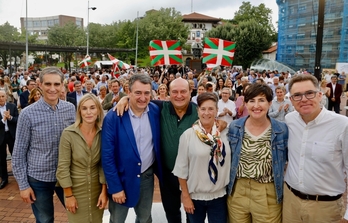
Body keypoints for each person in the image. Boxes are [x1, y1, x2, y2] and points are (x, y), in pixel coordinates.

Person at [115, 78, 199, 223]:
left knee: (193, 212)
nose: (179, 95)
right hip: (167, 174)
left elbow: (214, 120)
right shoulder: (160, 107)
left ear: (190, 92)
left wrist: (221, 123)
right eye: (175, 92)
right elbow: (140, 99)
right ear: (168, 93)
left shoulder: (198, 111)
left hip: (193, 175)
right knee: (171, 211)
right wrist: (126, 99)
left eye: (183, 91)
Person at [12, 67, 76, 223]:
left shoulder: (70, 109)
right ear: (39, 84)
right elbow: (19, 152)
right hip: (38, 178)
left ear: (62, 85)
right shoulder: (27, 114)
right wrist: (23, 185)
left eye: (56, 84)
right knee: (45, 220)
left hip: (65, 176)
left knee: (76, 216)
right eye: (48, 84)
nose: (52, 89)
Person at [283, 74, 348, 223]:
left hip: (325, 208)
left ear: (320, 95)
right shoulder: (289, 120)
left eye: (309, 93)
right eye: (297, 95)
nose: (304, 99)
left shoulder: (342, 125)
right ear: (291, 100)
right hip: (290, 203)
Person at [102, 74, 162, 222]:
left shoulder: (155, 111)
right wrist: (115, 187)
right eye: (138, 93)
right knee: (117, 219)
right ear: (128, 92)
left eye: (147, 93)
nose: (143, 97)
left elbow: (182, 104)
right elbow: (107, 156)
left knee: (145, 218)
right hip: (122, 178)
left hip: (146, 177)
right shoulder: (114, 117)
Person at [227, 83, 288, 223]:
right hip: (238, 190)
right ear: (246, 103)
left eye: (261, 100)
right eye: (251, 101)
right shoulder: (235, 127)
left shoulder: (281, 129)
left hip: (267, 193)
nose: (256, 105)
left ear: (269, 103)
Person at [173, 92, 230, 223]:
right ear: (198, 111)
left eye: (211, 109)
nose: (206, 113)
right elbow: (181, 170)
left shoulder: (226, 133)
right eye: (203, 109)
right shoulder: (188, 136)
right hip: (195, 198)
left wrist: (224, 124)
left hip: (219, 196)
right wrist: (186, 197)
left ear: (217, 111)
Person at [56, 94, 107, 223]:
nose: (88, 112)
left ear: (98, 110)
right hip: (75, 189)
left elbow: (103, 165)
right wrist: (69, 195)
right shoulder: (69, 134)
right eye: (84, 108)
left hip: (97, 189)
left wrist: (104, 192)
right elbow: (63, 168)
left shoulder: (103, 133)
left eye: (92, 108)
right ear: (79, 112)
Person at [0, 90, 18, 189]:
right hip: (1, 136)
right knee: (2, 158)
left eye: (3, 96)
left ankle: (19, 176)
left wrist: (10, 117)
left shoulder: (12, 106)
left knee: (15, 156)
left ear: (6, 97)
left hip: (11, 135)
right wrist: (3, 120)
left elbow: (17, 120)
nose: (1, 98)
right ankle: (4, 178)